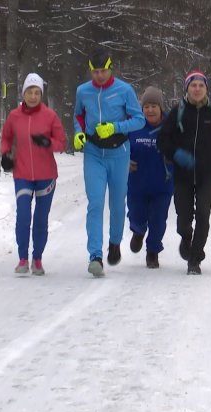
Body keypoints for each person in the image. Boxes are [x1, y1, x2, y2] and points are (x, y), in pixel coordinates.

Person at [157, 70, 211, 275]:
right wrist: (176, 153)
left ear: (206, 89)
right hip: (183, 174)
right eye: (193, 85)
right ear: (187, 88)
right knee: (184, 220)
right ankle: (186, 237)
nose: (197, 89)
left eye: (201, 85)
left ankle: (195, 260)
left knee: (203, 215)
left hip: (207, 173)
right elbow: (162, 140)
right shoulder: (178, 111)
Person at [73, 49, 145, 277]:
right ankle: (95, 255)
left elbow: (139, 120)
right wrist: (78, 133)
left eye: (103, 71)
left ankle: (114, 242)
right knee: (95, 203)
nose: (99, 76)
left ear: (110, 68)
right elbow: (78, 116)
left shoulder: (124, 90)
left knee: (116, 203)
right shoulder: (82, 91)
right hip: (94, 153)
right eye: (95, 72)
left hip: (119, 153)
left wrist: (115, 127)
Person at [0, 72, 67, 275]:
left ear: (41, 95)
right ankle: (22, 258)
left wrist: (48, 143)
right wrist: (5, 155)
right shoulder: (14, 116)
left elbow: (62, 143)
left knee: (40, 218)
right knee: (23, 216)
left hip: (46, 175)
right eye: (30, 92)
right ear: (24, 93)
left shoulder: (50, 116)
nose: (33, 96)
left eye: (37, 92)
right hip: (22, 174)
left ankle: (37, 258)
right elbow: (6, 138)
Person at [127, 86, 174, 269]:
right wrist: (124, 161)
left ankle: (153, 251)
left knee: (158, 219)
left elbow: (182, 145)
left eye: (154, 105)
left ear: (161, 107)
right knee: (136, 215)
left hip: (163, 184)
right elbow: (120, 147)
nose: (150, 110)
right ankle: (138, 231)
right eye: (146, 106)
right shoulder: (134, 124)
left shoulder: (170, 125)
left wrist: (174, 154)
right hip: (137, 184)